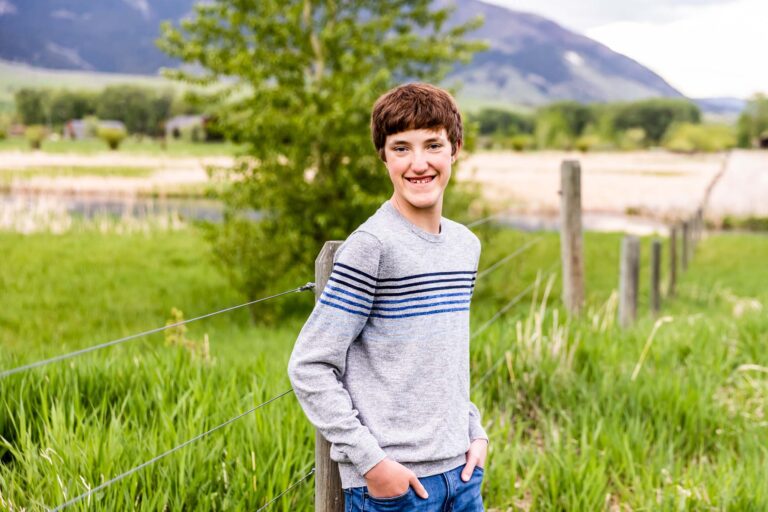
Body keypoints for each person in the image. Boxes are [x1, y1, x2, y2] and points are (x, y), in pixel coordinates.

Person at [288, 82, 488, 511]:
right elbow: (310, 366)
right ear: (384, 156)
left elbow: (447, 357)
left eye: (433, 145)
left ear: (455, 149)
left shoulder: (464, 245)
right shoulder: (372, 247)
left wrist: (475, 433)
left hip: (463, 476)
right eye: (401, 148)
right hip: (398, 488)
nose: (419, 163)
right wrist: (373, 464)